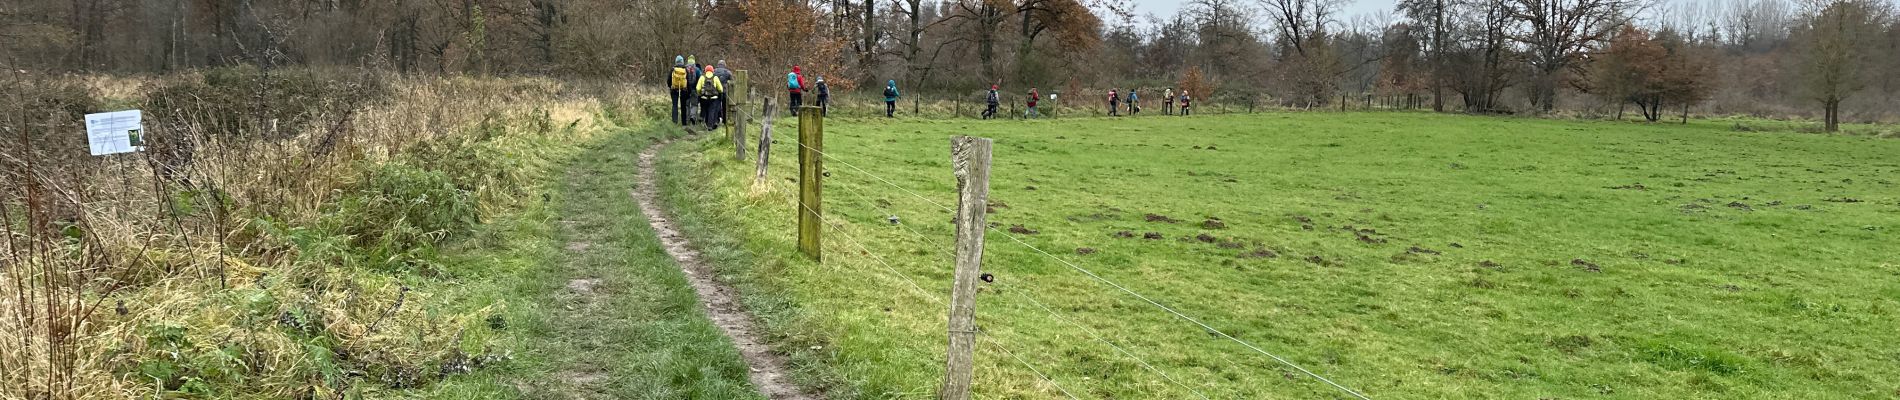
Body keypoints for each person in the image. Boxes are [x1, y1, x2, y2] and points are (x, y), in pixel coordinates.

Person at [696, 65, 726, 130]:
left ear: (705, 70)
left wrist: (700, 94)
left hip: (704, 97)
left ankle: (706, 123)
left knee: (706, 110)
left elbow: (698, 88)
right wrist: (718, 92)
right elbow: (721, 89)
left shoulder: (702, 77)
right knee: (711, 111)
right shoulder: (715, 78)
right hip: (713, 98)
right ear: (712, 70)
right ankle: (710, 126)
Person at [670, 55, 689, 125]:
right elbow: (688, 80)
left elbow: (668, 80)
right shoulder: (685, 69)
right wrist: (687, 89)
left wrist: (671, 86)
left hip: (674, 90)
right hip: (683, 90)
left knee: (674, 105)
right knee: (683, 106)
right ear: (682, 62)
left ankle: (674, 122)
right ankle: (684, 123)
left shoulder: (673, 69)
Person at [714, 60, 734, 125]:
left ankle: (716, 120)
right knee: (725, 106)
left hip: (715, 91)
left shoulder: (714, 71)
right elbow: (732, 82)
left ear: (718, 64)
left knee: (716, 105)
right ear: (724, 65)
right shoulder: (728, 72)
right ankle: (725, 121)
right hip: (725, 92)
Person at [684, 55, 702, 124]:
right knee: (694, 104)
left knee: (687, 105)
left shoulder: (684, 68)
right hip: (694, 90)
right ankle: (693, 117)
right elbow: (700, 79)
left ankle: (686, 119)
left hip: (686, 90)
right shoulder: (697, 69)